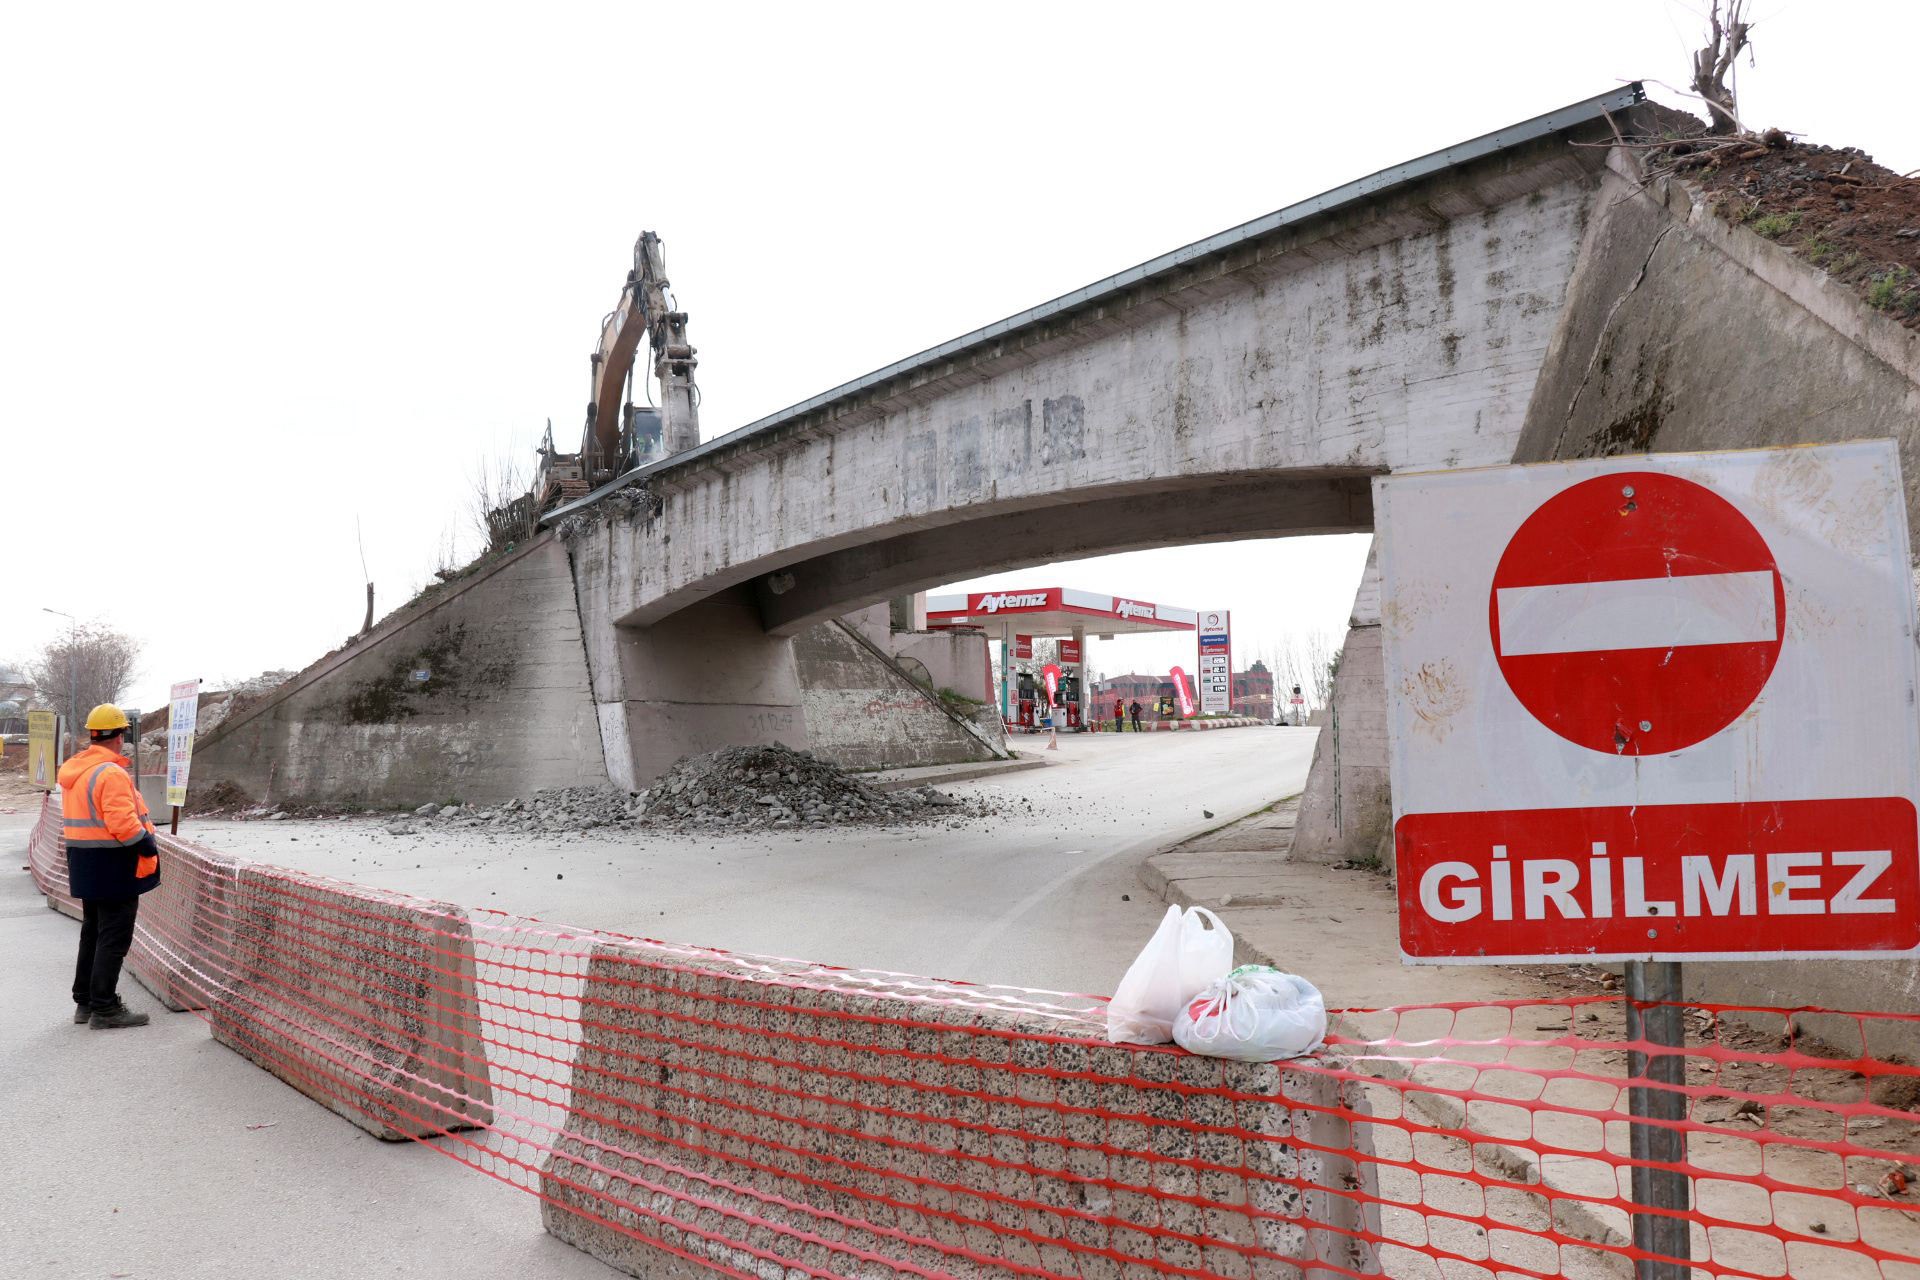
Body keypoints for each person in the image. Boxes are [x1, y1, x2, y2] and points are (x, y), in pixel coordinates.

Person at [57, 704, 160, 1029]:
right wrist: (147, 844)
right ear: (119, 737)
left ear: (92, 735)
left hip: (85, 861)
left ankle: (85, 1002)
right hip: (113, 863)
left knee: (93, 932)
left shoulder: (78, 769)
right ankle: (105, 1007)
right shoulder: (111, 772)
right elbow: (123, 823)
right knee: (113, 937)